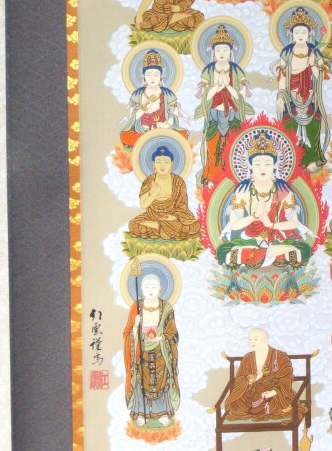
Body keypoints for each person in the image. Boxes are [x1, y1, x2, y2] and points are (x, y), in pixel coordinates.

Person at [216, 131, 312, 268]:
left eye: (267, 163)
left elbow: (293, 223)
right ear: (250, 166)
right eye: (257, 164)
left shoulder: (284, 192)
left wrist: (271, 225)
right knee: (222, 251)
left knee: (305, 249)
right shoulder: (242, 192)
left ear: (275, 165)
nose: (263, 168)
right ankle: (275, 253)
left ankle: (260, 254)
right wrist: (253, 217)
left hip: (275, 239)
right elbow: (235, 225)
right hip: (250, 240)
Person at [195, 24, 253, 188]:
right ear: (213, 52)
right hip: (214, 114)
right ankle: (211, 177)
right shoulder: (208, 71)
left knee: (231, 147)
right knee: (212, 147)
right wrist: (216, 86)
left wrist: (227, 86)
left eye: (225, 49)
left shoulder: (236, 71)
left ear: (231, 51)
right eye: (218, 50)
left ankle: (230, 176)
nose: (222, 53)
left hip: (232, 114)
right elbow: (205, 97)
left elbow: (241, 97)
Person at [275, 7, 329, 171]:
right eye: (296, 32)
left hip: (310, 97)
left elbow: (320, 77)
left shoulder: (314, 52)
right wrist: (280, 96)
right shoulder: (286, 53)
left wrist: (312, 65)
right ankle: (294, 159)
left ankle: (312, 158)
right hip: (291, 97)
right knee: (289, 126)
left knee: (313, 127)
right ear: (291, 34)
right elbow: (282, 77)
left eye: (304, 32)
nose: (300, 35)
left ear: (309, 34)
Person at [123, 272, 180, 426]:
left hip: (160, 350)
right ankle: (141, 412)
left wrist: (160, 338)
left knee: (162, 380)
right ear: (141, 288)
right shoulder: (136, 307)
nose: (150, 290)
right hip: (141, 350)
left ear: (160, 288)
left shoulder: (166, 308)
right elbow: (127, 333)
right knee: (140, 380)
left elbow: (173, 333)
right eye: (147, 287)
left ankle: (161, 412)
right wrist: (135, 326)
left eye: (154, 287)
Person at [224, 328, 303, 421]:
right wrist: (251, 380)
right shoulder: (247, 357)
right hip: (251, 391)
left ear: (265, 339)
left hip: (273, 391)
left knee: (274, 403)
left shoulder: (279, 356)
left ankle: (267, 408)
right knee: (236, 404)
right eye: (250, 339)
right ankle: (258, 409)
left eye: (255, 339)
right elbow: (239, 379)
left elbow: (286, 378)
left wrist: (273, 392)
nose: (252, 342)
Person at [128, 145, 200, 241]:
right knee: (133, 224)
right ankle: (160, 226)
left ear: (171, 164)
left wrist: (173, 216)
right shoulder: (149, 181)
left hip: (172, 216)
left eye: (166, 162)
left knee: (194, 226)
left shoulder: (178, 182)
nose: (162, 166)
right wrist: (154, 193)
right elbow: (143, 204)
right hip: (152, 216)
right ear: (153, 164)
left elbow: (182, 205)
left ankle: (157, 226)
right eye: (158, 162)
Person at [119, 49, 188, 148]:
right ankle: (155, 140)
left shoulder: (167, 94)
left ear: (161, 75)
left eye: (156, 74)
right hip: (142, 130)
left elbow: (174, 114)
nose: (152, 78)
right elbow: (132, 118)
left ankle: (150, 140)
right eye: (149, 74)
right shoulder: (137, 95)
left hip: (162, 129)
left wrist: (168, 124)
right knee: (125, 136)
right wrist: (144, 109)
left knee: (183, 134)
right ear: (143, 76)